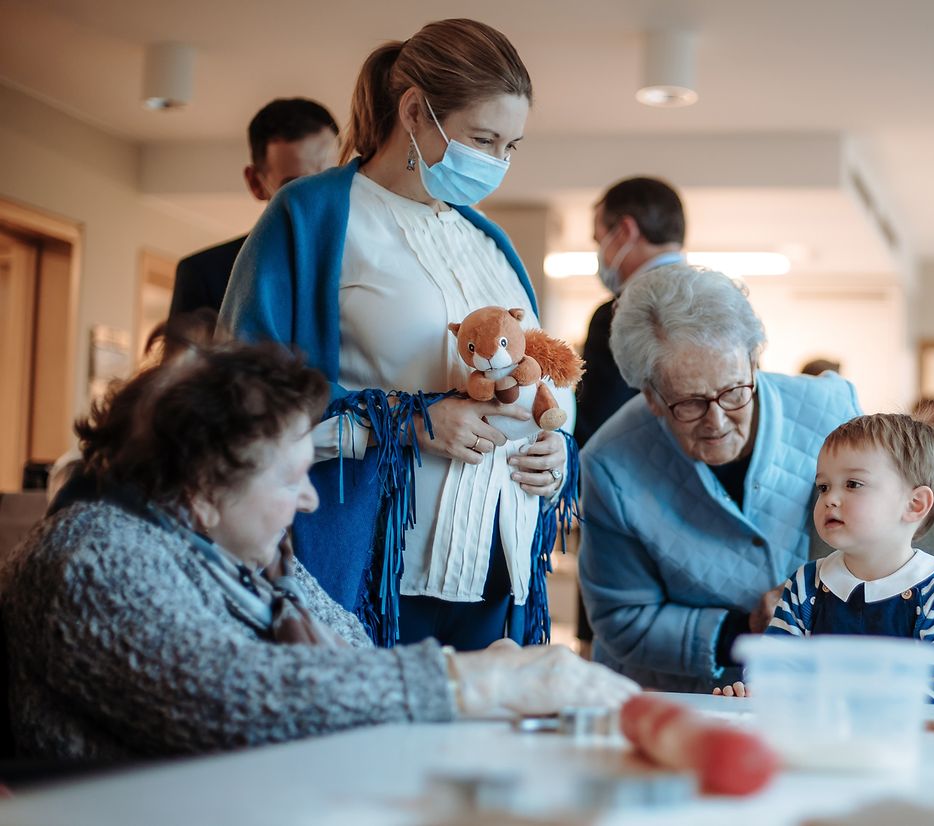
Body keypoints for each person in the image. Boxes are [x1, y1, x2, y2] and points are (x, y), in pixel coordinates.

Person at [0, 338, 637, 762]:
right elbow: (233, 697)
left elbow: (351, 657)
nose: (309, 501)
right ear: (201, 486)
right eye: (288, 479)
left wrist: (494, 661)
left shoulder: (239, 555)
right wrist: (474, 678)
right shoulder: (92, 561)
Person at [220, 20, 573, 650]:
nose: (495, 162)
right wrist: (405, 425)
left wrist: (556, 451)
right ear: (415, 110)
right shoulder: (315, 215)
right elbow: (239, 405)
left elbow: (535, 376)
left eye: (510, 146)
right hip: (374, 567)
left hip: (499, 568)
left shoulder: (491, 242)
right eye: (482, 138)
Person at [577, 265, 864, 692]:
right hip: (676, 695)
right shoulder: (611, 462)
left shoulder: (831, 410)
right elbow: (623, 620)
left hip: (811, 686)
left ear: (753, 362)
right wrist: (745, 626)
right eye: (689, 403)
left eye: (733, 392)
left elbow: (884, 537)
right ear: (652, 397)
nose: (717, 422)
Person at [713, 414, 934, 705]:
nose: (830, 499)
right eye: (823, 487)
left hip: (905, 747)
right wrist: (750, 694)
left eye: (852, 484)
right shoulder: (806, 584)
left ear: (914, 505)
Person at [168, 98, 339, 318]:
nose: (320, 198)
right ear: (256, 184)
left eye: (331, 179)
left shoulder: (376, 261)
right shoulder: (205, 275)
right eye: (296, 187)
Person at [575, 177, 688, 449]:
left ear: (625, 231)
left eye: (599, 241)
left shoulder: (618, 314)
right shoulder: (723, 301)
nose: (600, 254)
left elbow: (596, 427)